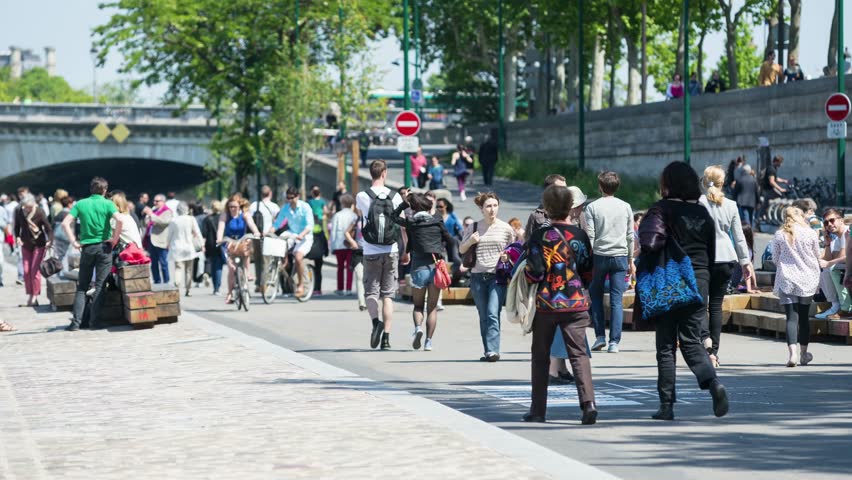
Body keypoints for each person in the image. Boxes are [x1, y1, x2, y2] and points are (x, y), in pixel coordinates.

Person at [637, 161, 728, 420]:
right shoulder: (703, 214)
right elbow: (711, 253)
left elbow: (649, 242)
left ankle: (666, 405)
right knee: (692, 341)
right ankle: (713, 384)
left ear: (668, 183)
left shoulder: (661, 209)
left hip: (670, 279)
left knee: (666, 345)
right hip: (699, 280)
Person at [523, 185, 597, 425]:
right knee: (579, 354)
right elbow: (588, 270)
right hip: (576, 302)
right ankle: (588, 405)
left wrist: (528, 279)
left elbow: (534, 271)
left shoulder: (540, 236)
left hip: (547, 303)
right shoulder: (580, 235)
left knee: (541, 355)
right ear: (569, 208)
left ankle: (538, 410)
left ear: (546, 209)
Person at [699, 166, 754, 368]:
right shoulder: (730, 205)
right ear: (723, 183)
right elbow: (739, 237)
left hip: (703, 258)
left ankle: (705, 342)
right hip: (726, 258)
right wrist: (745, 262)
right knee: (716, 306)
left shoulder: (698, 203)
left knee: (700, 304)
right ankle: (714, 351)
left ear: (704, 181)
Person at [392, 192, 458, 351]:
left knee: (418, 306)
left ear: (414, 208)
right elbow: (451, 240)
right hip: (435, 268)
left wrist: (404, 203)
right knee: (432, 308)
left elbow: (393, 216)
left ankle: (418, 328)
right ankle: (428, 342)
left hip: (418, 269)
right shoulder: (437, 221)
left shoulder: (411, 222)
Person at [459, 192, 516, 361]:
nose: (492, 210)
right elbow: (462, 249)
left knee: (493, 312)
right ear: (481, 209)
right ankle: (488, 350)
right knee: (483, 315)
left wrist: (508, 256)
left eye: (495, 206)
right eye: (488, 206)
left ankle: (493, 350)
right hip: (477, 276)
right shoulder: (474, 227)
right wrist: (471, 241)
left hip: (497, 276)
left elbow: (514, 250)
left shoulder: (506, 228)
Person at [61, 177, 123, 331]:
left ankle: (76, 323)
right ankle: (94, 323)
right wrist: (114, 239)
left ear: (91, 189)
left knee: (82, 286)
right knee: (101, 285)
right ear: (104, 190)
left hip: (87, 248)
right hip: (104, 248)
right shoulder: (108, 204)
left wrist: (74, 241)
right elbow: (120, 220)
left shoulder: (81, 204)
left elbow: (65, 223)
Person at [356, 161, 405, 350]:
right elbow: (401, 224)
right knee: (388, 295)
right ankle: (386, 338)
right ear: (385, 173)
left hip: (370, 250)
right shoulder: (395, 197)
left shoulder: (362, 196)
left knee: (370, 292)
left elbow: (362, 216)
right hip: (391, 249)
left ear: (371, 174)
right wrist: (405, 249)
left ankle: (375, 322)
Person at [584, 171, 634, 353]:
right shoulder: (626, 207)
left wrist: (588, 260)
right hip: (620, 256)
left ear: (600, 187)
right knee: (616, 300)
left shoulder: (592, 208)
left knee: (595, 294)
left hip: (599, 255)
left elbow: (590, 235)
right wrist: (631, 260)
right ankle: (615, 342)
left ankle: (599, 336)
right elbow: (630, 236)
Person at [772, 207, 820, 366]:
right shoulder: (811, 233)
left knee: (791, 318)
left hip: (787, 279)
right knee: (804, 317)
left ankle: (792, 355)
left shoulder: (780, 235)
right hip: (807, 278)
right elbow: (816, 255)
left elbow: (775, 258)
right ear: (801, 217)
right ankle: (804, 354)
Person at [217, 194, 261, 304]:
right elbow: (220, 228)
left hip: (241, 241)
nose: (232, 209)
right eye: (230, 207)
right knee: (232, 268)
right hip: (228, 243)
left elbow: (252, 224)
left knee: (247, 245)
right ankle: (230, 293)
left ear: (239, 206)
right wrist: (219, 238)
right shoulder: (225, 215)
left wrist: (256, 232)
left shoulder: (245, 215)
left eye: (235, 207)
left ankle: (247, 272)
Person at [271, 187, 314, 298]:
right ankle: (285, 262)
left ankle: (300, 285)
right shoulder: (285, 208)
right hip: (292, 233)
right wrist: (268, 233)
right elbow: (277, 224)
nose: (289, 200)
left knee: (298, 257)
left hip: (305, 235)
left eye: (292, 198)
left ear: (297, 196)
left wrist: (302, 235)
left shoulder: (305, 207)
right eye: (288, 198)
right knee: (279, 240)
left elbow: (310, 225)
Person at [15, 195, 52, 307]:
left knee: (34, 271)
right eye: (26, 207)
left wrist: (50, 240)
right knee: (26, 271)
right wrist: (17, 237)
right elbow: (17, 226)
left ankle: (34, 297)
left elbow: (48, 227)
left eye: (30, 207)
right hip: (25, 244)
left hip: (39, 244)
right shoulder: (19, 211)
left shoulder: (39, 212)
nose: (28, 210)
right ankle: (30, 294)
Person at [815, 208, 848, 319]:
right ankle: (835, 305)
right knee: (825, 268)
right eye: (826, 223)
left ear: (841, 220)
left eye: (832, 220)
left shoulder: (846, 233)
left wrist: (828, 263)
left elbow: (843, 258)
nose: (829, 224)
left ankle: (838, 305)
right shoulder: (837, 238)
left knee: (831, 269)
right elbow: (831, 258)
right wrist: (827, 242)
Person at [169, 201, 204, 297]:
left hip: (177, 247)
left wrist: (168, 244)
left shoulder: (174, 221)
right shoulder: (191, 219)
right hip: (189, 247)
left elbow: (170, 235)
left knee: (178, 268)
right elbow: (197, 232)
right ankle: (188, 290)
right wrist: (202, 243)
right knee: (189, 270)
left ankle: (177, 285)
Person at [250, 185, 281, 289]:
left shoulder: (254, 205)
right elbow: (279, 221)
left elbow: (249, 220)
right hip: (268, 236)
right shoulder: (274, 206)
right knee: (266, 260)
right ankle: (264, 283)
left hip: (256, 235)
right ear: (270, 193)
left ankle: (258, 283)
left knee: (257, 260)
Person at [330, 193, 359, 296]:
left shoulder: (337, 215)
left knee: (340, 267)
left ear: (342, 203)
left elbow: (333, 231)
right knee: (350, 267)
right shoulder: (354, 215)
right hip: (351, 244)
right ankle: (349, 288)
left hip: (339, 244)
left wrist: (332, 245)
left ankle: (340, 288)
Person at [142, 194, 173, 284]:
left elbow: (164, 222)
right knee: (154, 263)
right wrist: (148, 217)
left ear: (163, 202)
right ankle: (157, 280)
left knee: (163, 263)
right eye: (154, 201)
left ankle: (166, 281)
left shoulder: (167, 211)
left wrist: (152, 215)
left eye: (157, 201)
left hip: (161, 241)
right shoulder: (154, 210)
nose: (155, 202)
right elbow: (147, 223)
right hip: (151, 240)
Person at [307, 186, 329, 296]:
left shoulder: (310, 202)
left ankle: (307, 286)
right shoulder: (322, 201)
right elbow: (326, 211)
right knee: (318, 269)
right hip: (319, 223)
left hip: (310, 247)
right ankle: (318, 289)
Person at [203, 201, 224, 295]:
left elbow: (204, 234)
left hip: (210, 244)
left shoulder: (207, 219)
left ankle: (213, 284)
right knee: (219, 266)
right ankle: (217, 287)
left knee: (212, 264)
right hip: (221, 243)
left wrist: (203, 245)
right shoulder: (223, 218)